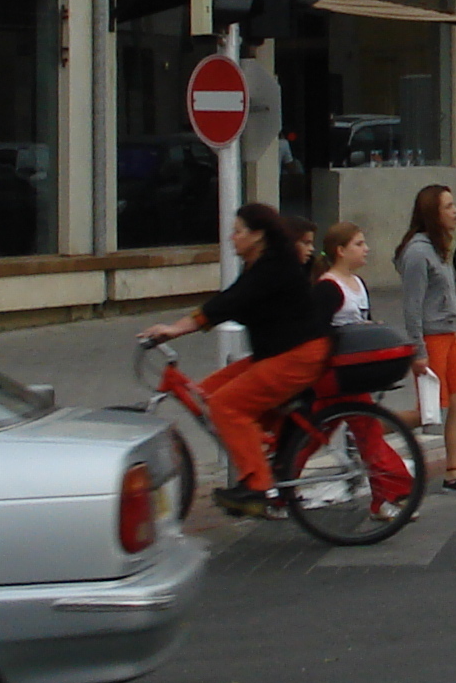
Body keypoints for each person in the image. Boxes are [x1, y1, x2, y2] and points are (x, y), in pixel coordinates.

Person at [141, 202, 337, 520]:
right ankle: (262, 446)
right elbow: (230, 301)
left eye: (238, 232)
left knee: (225, 406)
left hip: (298, 356)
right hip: (278, 353)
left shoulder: (273, 266)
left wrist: (174, 330)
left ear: (258, 235)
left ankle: (258, 487)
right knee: (208, 392)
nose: (231, 238)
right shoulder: (261, 265)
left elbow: (229, 303)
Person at [396, 183, 456, 494]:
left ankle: (455, 473)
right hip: (431, 339)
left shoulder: (437, 247)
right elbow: (412, 308)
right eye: (448, 206)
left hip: (449, 334)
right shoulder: (418, 253)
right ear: (432, 214)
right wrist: (418, 351)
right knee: (427, 413)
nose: (455, 211)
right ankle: (363, 428)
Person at [318, 222, 375, 327]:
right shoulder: (328, 286)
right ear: (341, 250)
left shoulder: (359, 281)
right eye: (359, 244)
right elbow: (319, 328)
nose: (366, 249)